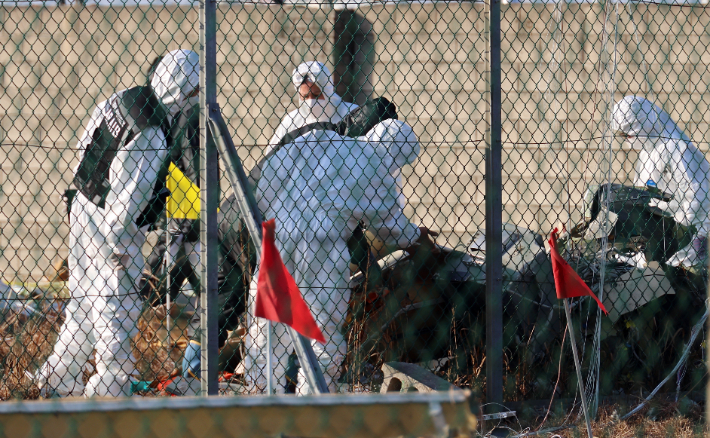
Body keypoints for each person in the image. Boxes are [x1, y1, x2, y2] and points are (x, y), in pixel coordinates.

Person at [36, 49, 200, 397]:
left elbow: (87, 143)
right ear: (184, 90)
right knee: (118, 308)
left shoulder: (126, 98)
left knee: (83, 303)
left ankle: (56, 379)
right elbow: (131, 196)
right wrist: (119, 246)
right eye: (195, 90)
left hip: (86, 204)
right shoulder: (153, 133)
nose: (197, 98)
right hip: (114, 227)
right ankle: (110, 389)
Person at [244, 119, 435, 394]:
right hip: (324, 247)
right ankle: (313, 400)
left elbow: (271, 174)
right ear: (395, 152)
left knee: (269, 323)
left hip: (280, 235)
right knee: (323, 331)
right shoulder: (376, 169)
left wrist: (278, 213)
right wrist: (418, 237)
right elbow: (389, 225)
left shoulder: (321, 139)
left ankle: (258, 397)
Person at [611, 95, 710, 268]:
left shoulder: (675, 147)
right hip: (661, 232)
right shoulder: (648, 151)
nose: (627, 139)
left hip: (688, 232)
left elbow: (697, 195)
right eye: (623, 135)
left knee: (673, 274)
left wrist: (680, 230)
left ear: (641, 122)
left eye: (628, 134)